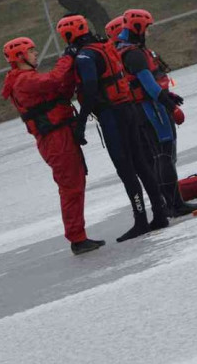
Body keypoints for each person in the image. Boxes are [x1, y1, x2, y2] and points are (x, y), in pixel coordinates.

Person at [57, 14, 170, 242]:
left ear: (68, 35)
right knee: (140, 163)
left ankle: (140, 220)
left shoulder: (86, 56)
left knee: (126, 169)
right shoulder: (102, 44)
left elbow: (89, 91)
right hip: (128, 110)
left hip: (112, 116)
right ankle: (159, 213)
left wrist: (80, 124)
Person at [0, 37, 104, 256]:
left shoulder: (26, 78)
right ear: (20, 57)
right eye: (31, 50)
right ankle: (77, 238)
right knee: (70, 187)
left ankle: (78, 236)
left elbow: (59, 90)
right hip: (55, 139)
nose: (36, 53)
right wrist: (67, 57)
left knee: (75, 183)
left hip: (61, 134)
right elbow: (54, 80)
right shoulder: (23, 81)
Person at [116, 8, 197, 217]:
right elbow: (150, 86)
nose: (149, 33)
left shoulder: (125, 49)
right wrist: (171, 107)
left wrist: (168, 97)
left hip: (140, 109)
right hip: (150, 109)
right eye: (147, 28)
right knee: (163, 154)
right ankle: (175, 204)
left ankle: (170, 203)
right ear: (137, 27)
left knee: (157, 156)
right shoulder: (135, 54)